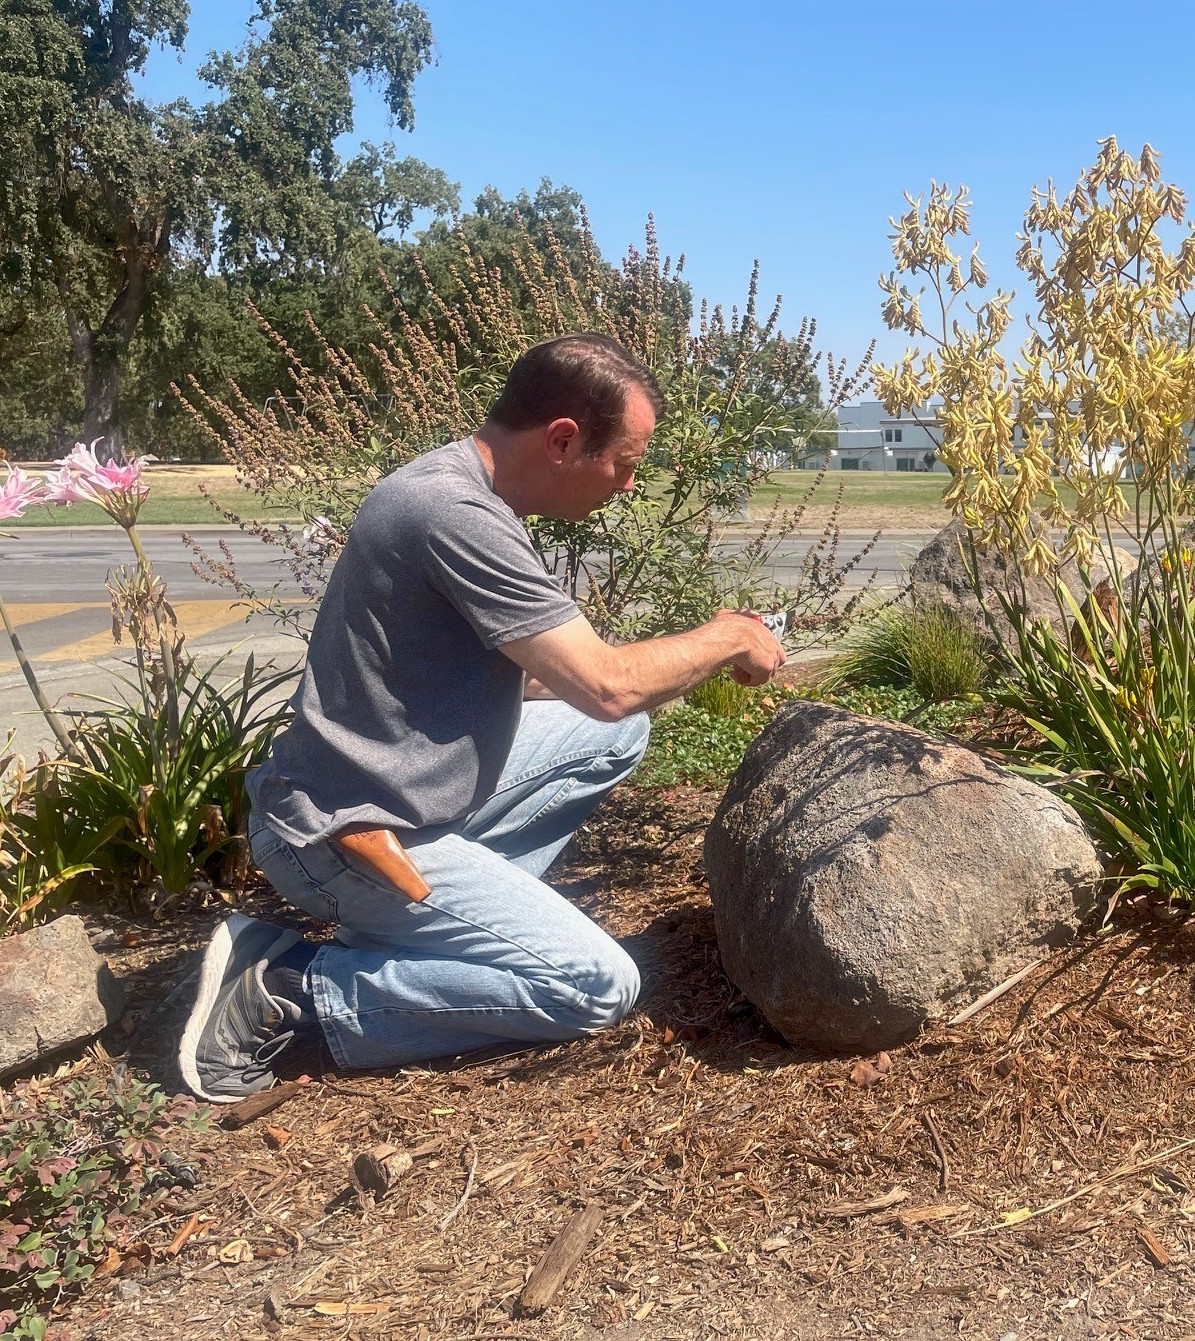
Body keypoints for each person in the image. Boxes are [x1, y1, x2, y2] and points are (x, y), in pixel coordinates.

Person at [178, 333, 786, 1103]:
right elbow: (605, 683)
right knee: (594, 986)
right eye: (625, 463)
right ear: (563, 439)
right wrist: (728, 635)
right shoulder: (453, 512)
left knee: (613, 733)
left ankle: (423, 931)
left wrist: (675, 667)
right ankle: (291, 984)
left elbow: (573, 693)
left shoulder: (468, 490)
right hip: (341, 832)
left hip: (384, 795)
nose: (627, 485)